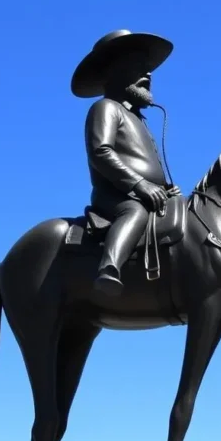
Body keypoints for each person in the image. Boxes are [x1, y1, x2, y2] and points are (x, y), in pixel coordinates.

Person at [70, 29, 181, 297]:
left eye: (148, 68)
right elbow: (101, 152)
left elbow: (141, 159)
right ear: (114, 72)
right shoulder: (106, 108)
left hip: (148, 194)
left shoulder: (139, 119)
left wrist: (165, 189)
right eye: (138, 67)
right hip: (116, 197)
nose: (149, 74)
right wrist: (140, 185)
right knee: (135, 212)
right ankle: (109, 268)